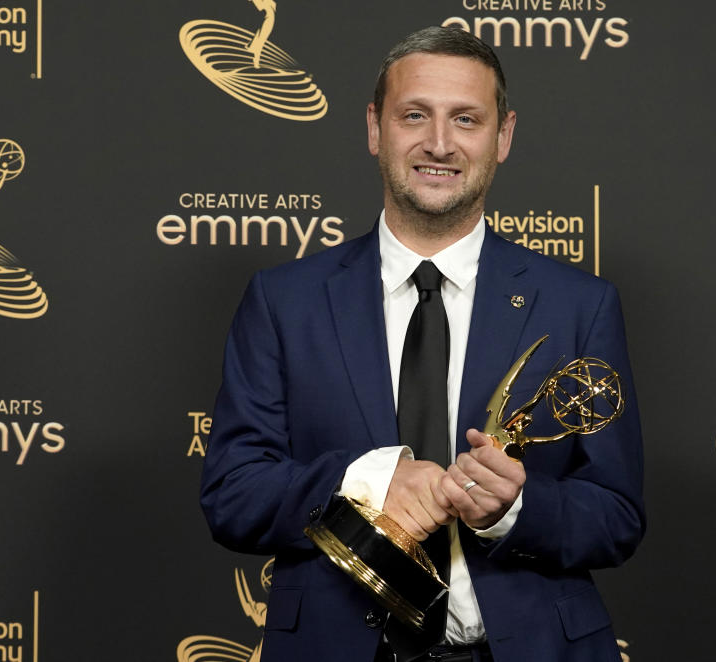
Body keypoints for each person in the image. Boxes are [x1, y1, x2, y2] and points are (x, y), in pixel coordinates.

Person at [201, 26, 645, 662]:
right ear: (377, 128)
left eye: (466, 119)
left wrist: (516, 508)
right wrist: (368, 479)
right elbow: (233, 495)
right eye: (416, 115)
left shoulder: (578, 303)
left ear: (504, 136)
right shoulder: (284, 301)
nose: (439, 143)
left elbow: (617, 515)